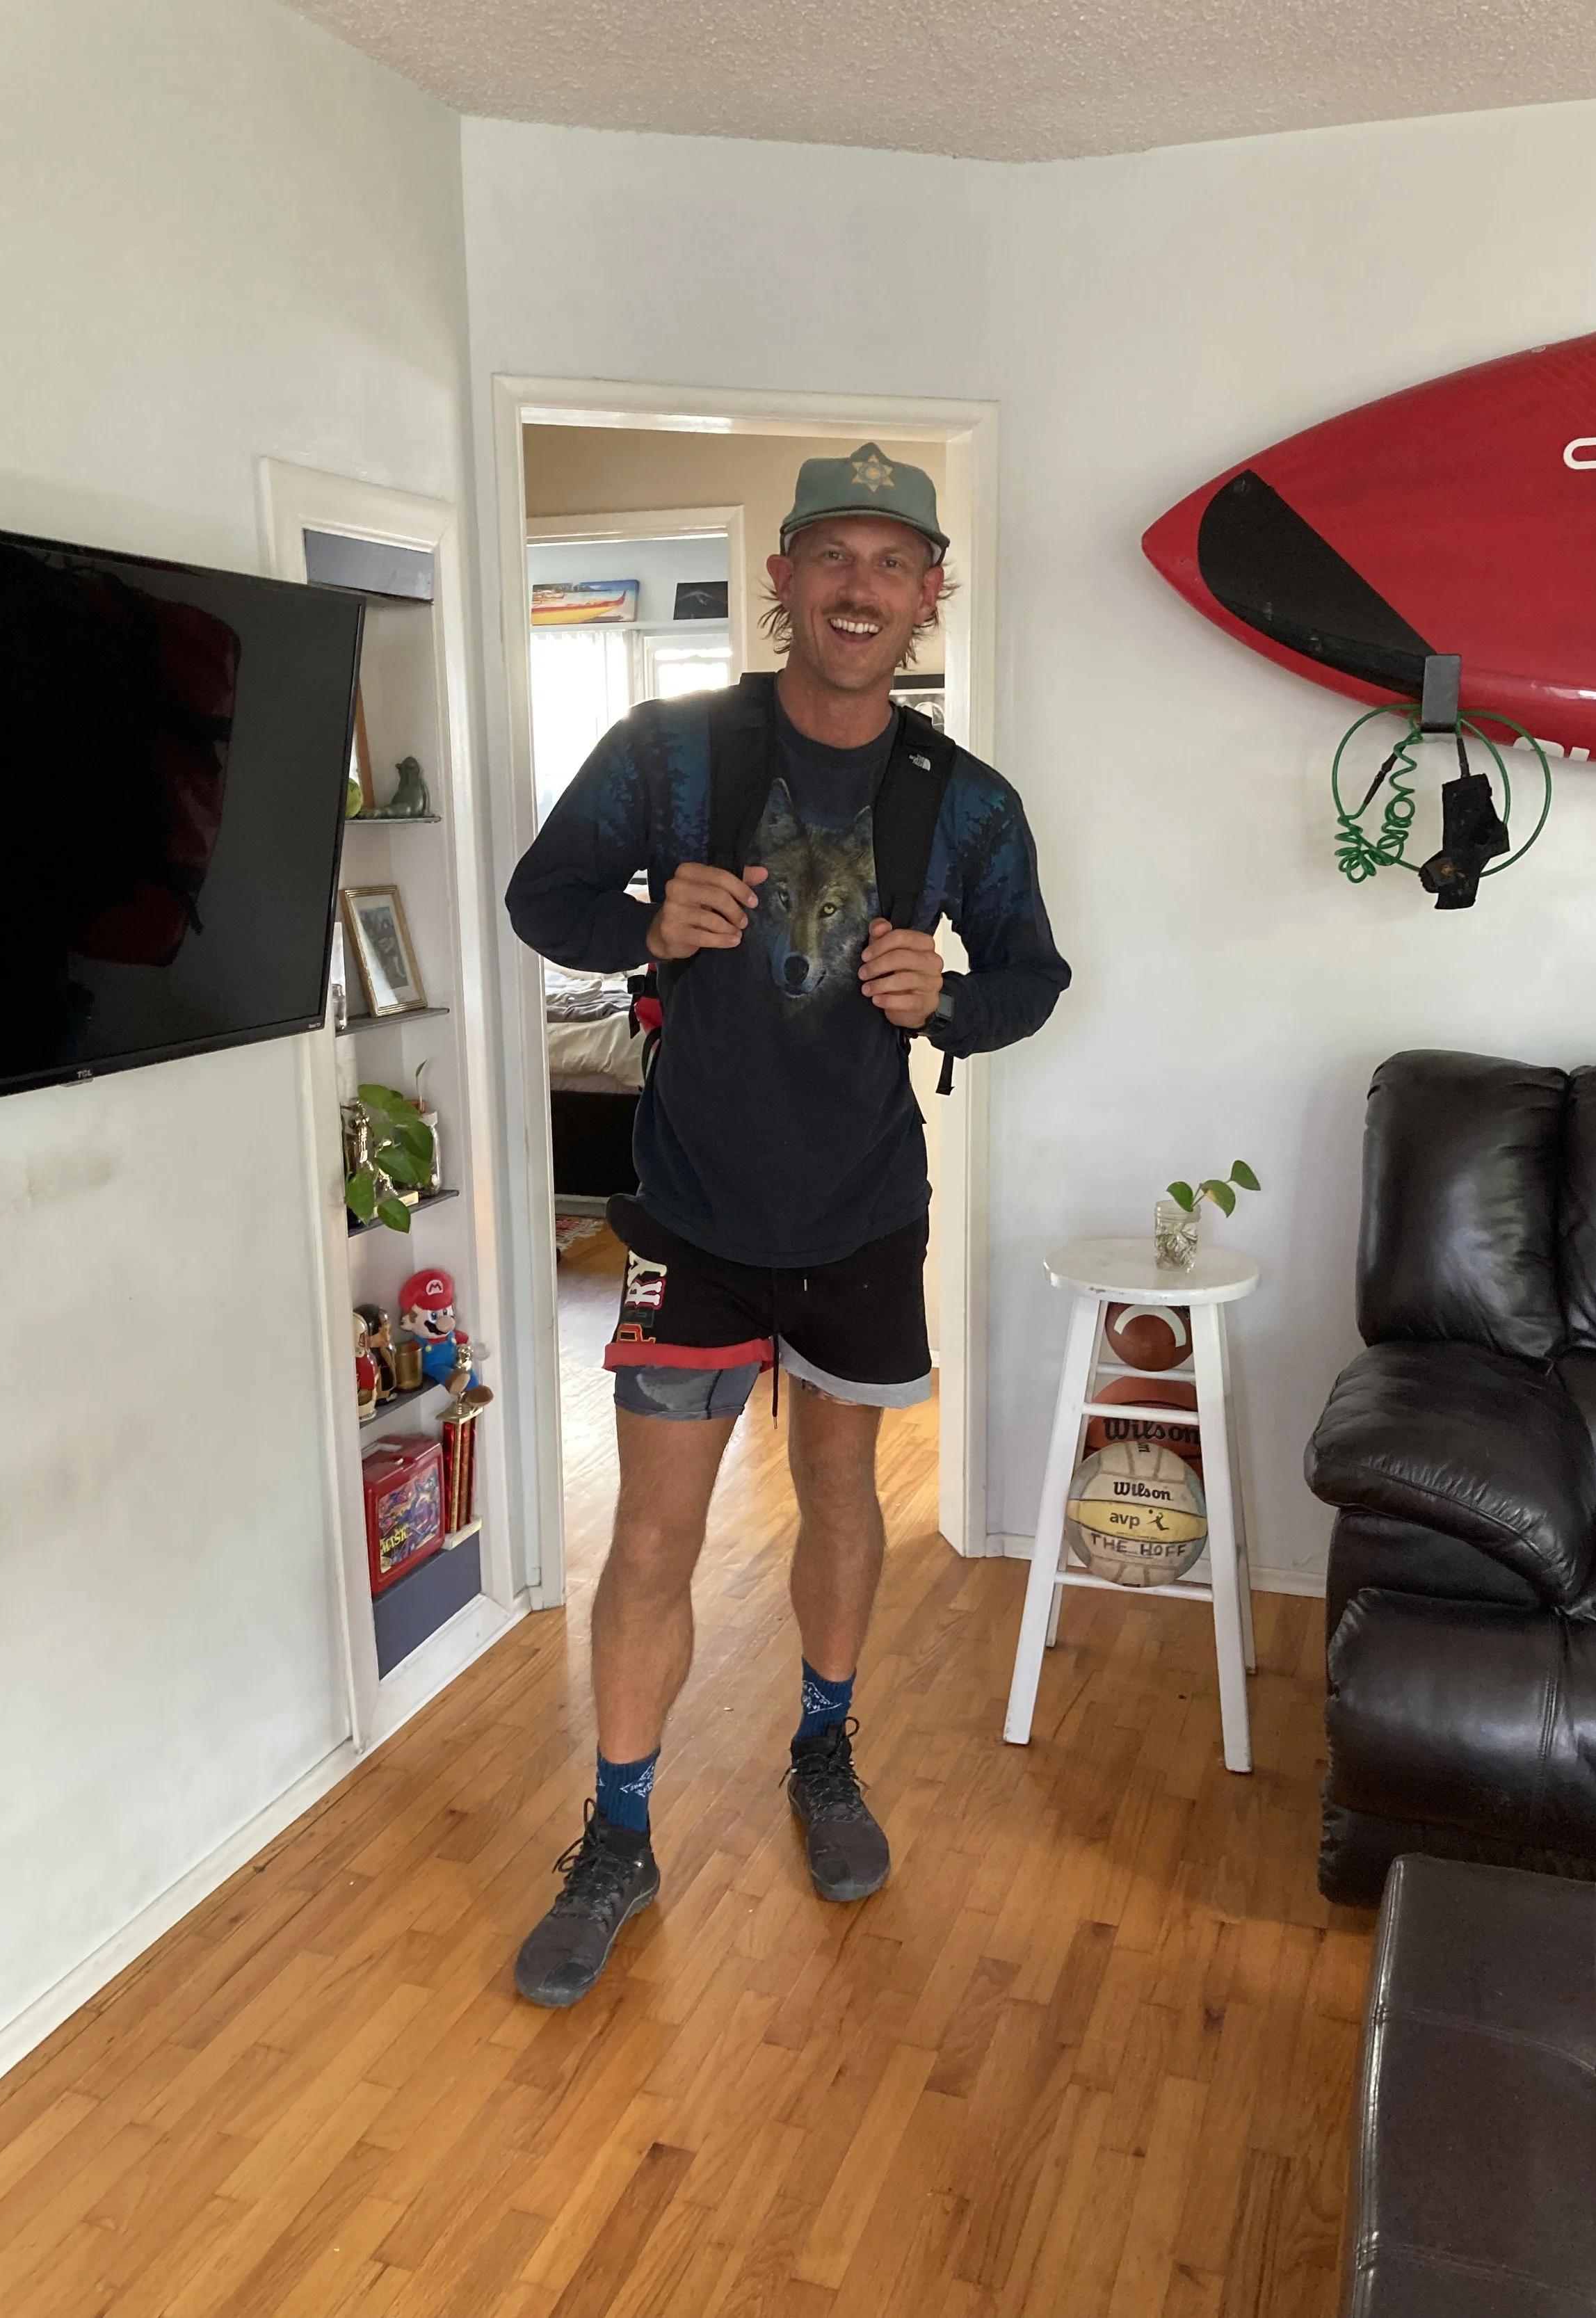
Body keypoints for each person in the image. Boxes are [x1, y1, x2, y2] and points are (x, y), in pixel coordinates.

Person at [504, 444, 1070, 2006]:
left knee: (840, 1495)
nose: (858, 588)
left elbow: (1031, 975)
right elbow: (539, 894)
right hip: (690, 1209)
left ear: (928, 593)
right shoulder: (670, 752)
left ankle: (823, 1750)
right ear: (783, 577)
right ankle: (616, 1835)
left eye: (893, 563)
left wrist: (944, 995)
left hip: (862, 1216)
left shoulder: (960, 801)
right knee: (654, 1536)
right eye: (832, 556)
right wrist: (640, 923)